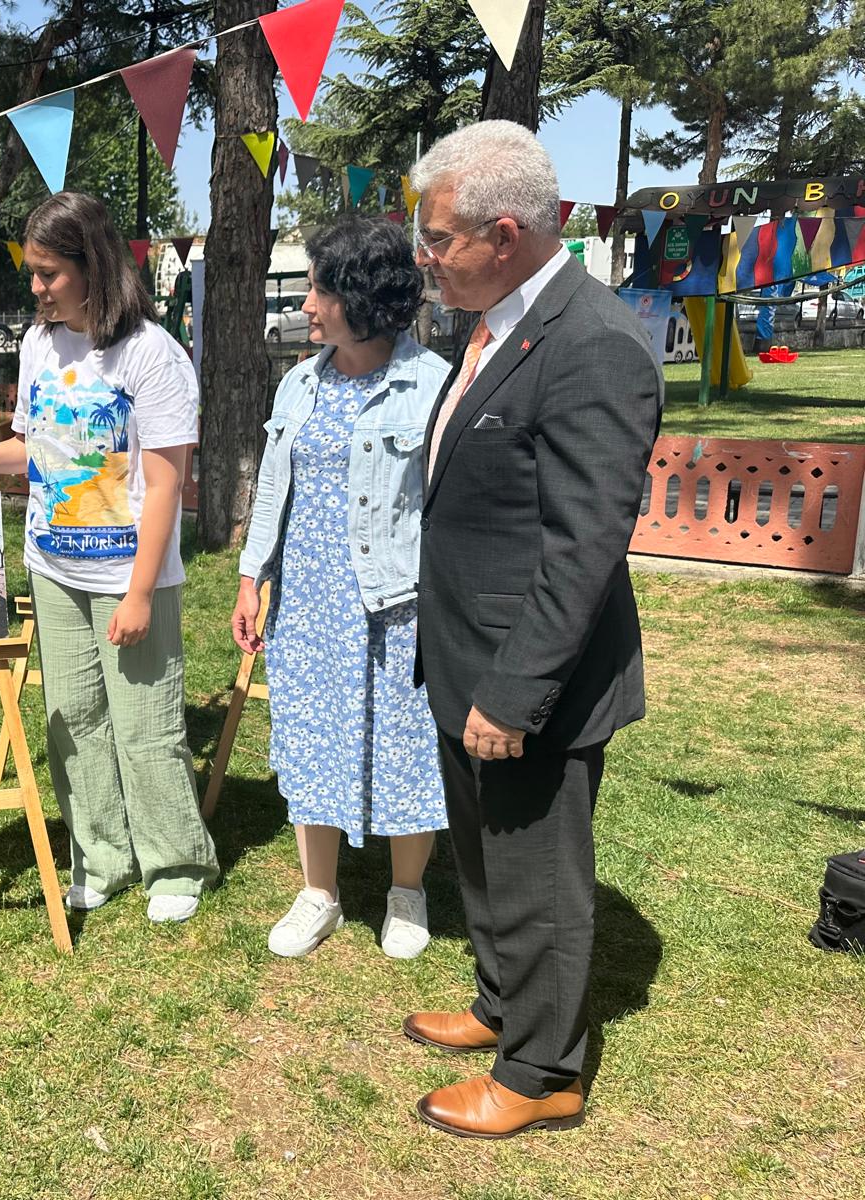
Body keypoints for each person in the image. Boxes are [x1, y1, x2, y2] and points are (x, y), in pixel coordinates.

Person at [402, 122, 663, 1138]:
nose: (426, 258)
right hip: (466, 652)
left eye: (437, 240)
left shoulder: (590, 340)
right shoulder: (493, 320)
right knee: (485, 854)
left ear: (501, 233)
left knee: (539, 873)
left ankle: (542, 1071)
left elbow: (584, 544)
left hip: (530, 673)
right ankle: (501, 1006)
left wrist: (515, 692)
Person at [0, 192, 219, 923]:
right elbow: (34, 449)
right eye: (32, 272)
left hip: (129, 573)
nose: (36, 287)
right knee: (73, 719)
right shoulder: (39, 344)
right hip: (53, 568)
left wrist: (142, 592)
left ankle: (176, 864)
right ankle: (100, 855)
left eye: (49, 274)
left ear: (94, 267)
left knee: (145, 721)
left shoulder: (152, 355)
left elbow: (164, 486)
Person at [233, 218, 453, 961]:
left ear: (360, 296)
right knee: (309, 737)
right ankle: (319, 893)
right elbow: (272, 488)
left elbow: (450, 506)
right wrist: (250, 578)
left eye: (322, 288)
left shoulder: (433, 388)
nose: (310, 304)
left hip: (397, 601)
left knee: (403, 741)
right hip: (311, 599)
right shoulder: (301, 380)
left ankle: (407, 892)